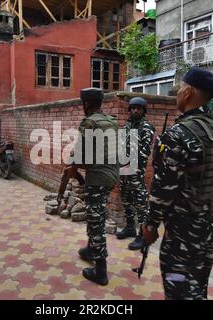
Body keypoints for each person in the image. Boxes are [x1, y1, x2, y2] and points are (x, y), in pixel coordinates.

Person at [142, 67, 213, 300]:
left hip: (182, 234)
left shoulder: (179, 134)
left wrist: (150, 226)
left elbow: (163, 190)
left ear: (187, 92)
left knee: (177, 288)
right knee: (197, 286)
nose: (177, 93)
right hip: (211, 227)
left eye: (179, 88)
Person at [69, 88, 119, 286]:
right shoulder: (111, 121)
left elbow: (81, 153)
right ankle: (91, 250)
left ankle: (101, 271)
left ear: (86, 104)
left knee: (95, 221)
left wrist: (73, 168)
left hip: (97, 178)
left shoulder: (89, 122)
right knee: (96, 213)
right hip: (111, 176)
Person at [116, 97, 155, 251]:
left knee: (141, 203)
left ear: (143, 110)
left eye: (139, 108)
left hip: (136, 171)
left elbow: (144, 153)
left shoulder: (147, 128)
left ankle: (143, 235)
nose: (135, 110)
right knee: (126, 198)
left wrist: (128, 162)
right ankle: (130, 227)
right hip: (124, 170)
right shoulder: (126, 126)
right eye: (133, 108)